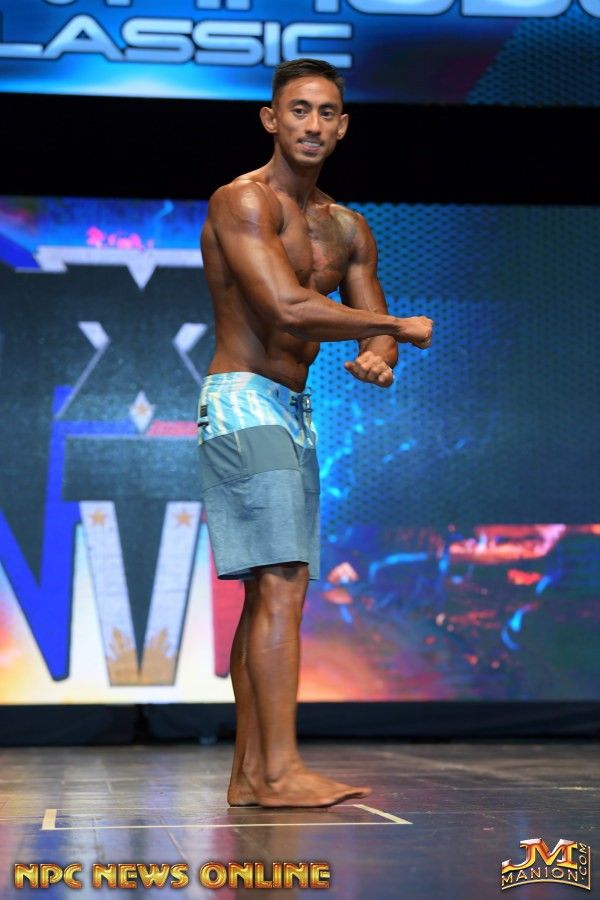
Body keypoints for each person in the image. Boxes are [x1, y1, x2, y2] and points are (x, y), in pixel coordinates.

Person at [198, 58, 434, 808]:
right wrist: (395, 325)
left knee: (269, 590)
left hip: (292, 410)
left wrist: (381, 352)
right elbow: (287, 308)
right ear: (271, 119)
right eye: (298, 110)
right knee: (282, 583)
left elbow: (370, 316)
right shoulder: (243, 201)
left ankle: (249, 776)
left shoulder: (348, 226)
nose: (312, 124)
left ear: (343, 126)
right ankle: (279, 773)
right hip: (242, 401)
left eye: (327, 112)